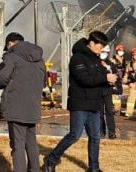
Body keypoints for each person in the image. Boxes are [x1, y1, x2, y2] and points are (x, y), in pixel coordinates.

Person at [43, 31, 117, 172]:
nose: (101, 50)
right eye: (100, 46)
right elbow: (84, 79)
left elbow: (100, 78)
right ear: (92, 43)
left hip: (94, 104)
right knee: (74, 135)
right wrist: (105, 78)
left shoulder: (96, 59)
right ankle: (51, 159)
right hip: (80, 103)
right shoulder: (78, 58)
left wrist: (109, 81)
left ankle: (94, 168)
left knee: (95, 137)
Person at [0, 32, 45, 172]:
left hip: (15, 107)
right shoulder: (39, 59)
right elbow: (43, 81)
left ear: (10, 44)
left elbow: (0, 80)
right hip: (33, 107)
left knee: (17, 145)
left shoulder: (11, 57)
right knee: (31, 142)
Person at [99, 45, 117, 139]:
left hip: (107, 90)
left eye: (105, 52)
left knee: (109, 111)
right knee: (99, 112)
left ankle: (112, 131)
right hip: (98, 90)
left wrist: (106, 67)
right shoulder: (95, 62)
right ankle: (101, 131)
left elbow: (115, 74)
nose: (103, 54)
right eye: (102, 52)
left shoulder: (110, 63)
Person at [110, 43, 126, 113]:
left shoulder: (123, 59)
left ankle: (118, 108)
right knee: (114, 93)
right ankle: (114, 107)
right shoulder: (112, 59)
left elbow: (124, 67)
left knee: (120, 93)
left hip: (120, 79)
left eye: (122, 50)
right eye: (119, 50)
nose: (121, 51)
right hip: (114, 78)